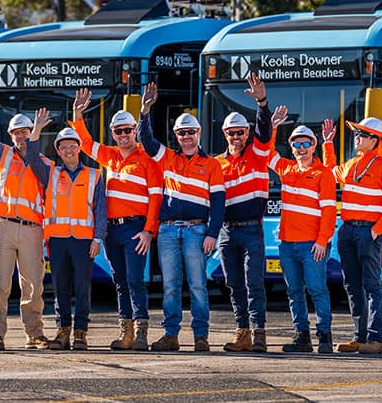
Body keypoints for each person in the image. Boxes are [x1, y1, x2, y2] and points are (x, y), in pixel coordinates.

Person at [71, 88, 162, 351]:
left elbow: (156, 197)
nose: (123, 135)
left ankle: (141, 331)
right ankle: (126, 333)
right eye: (118, 131)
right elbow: (85, 143)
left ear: (135, 131)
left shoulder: (148, 159)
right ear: (112, 133)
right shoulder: (109, 156)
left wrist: (148, 231)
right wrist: (77, 114)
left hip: (136, 229)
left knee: (135, 280)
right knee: (120, 281)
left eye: (128, 130)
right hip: (113, 230)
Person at [138, 82, 224, 352]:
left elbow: (218, 204)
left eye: (191, 132)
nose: (187, 137)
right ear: (176, 135)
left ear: (199, 133)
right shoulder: (167, 158)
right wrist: (145, 111)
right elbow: (146, 140)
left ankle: (201, 336)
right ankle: (170, 335)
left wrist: (212, 234)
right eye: (182, 132)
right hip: (167, 231)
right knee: (171, 286)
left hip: (197, 231)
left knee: (198, 286)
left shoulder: (212, 165)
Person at [0, 75, 49, 351]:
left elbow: (44, 180)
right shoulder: (1, 154)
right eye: (16, 132)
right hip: (3, 227)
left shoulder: (43, 163)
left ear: (33, 132)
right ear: (10, 135)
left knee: (33, 287)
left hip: (32, 230)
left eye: (25, 131)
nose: (21, 136)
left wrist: (36, 139)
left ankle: (34, 334)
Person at [25, 109, 108, 351]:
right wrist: (37, 130)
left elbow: (101, 209)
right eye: (64, 147)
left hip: (84, 242)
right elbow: (32, 157)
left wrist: (98, 238)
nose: (69, 150)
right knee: (60, 288)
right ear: (58, 151)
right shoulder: (51, 173)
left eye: (72, 146)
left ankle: (80, 333)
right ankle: (62, 332)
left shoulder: (94, 175)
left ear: (79, 148)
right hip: (58, 240)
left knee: (83, 288)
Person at [322, 117, 382, 355]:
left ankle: (375, 339)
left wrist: (375, 231)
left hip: (369, 231)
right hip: (348, 230)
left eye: (362, 135)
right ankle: (359, 338)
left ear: (375, 140)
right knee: (352, 285)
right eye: (356, 134)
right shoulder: (352, 164)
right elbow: (330, 173)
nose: (357, 138)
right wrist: (328, 143)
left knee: (371, 284)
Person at [215, 72, 274, 353]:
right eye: (232, 133)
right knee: (234, 283)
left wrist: (262, 103)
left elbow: (265, 131)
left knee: (254, 283)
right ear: (224, 134)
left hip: (251, 228)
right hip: (227, 231)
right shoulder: (217, 164)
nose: (236, 137)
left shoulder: (258, 155)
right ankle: (242, 332)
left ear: (247, 133)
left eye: (241, 132)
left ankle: (259, 332)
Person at [268, 113, 337, 353]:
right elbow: (266, 153)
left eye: (306, 143)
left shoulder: (323, 174)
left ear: (314, 146)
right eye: (296, 144)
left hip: (312, 245)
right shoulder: (286, 169)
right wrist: (273, 127)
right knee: (294, 291)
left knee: (317, 289)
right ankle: (302, 337)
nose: (301, 148)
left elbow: (329, 211)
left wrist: (322, 241)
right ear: (291, 147)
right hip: (288, 244)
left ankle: (325, 336)